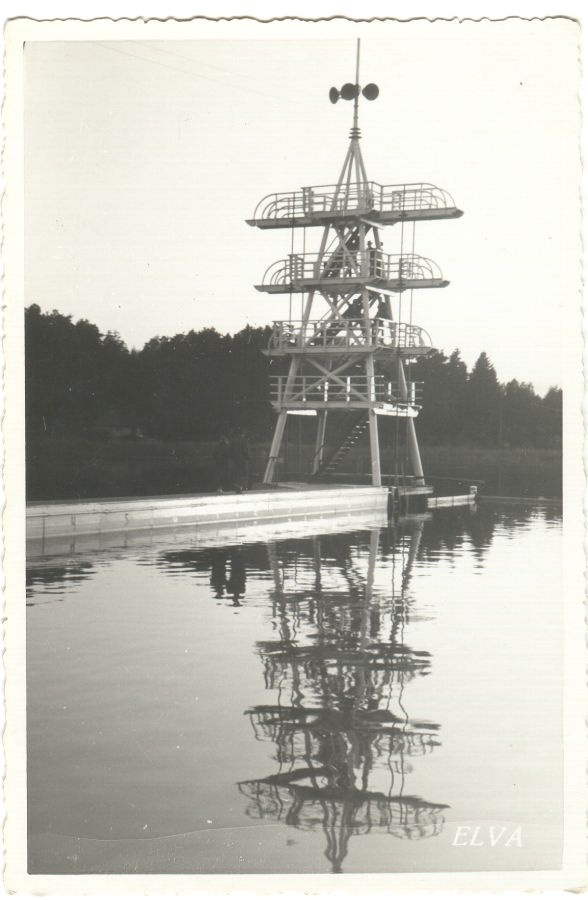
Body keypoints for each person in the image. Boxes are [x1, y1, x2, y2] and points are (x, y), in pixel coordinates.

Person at [230, 427, 250, 493]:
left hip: (235, 460)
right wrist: (248, 457)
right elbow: (245, 450)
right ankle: (242, 486)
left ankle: (238, 486)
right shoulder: (243, 440)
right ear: (242, 434)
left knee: (237, 473)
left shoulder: (233, 441)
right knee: (243, 473)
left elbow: (231, 451)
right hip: (243, 460)